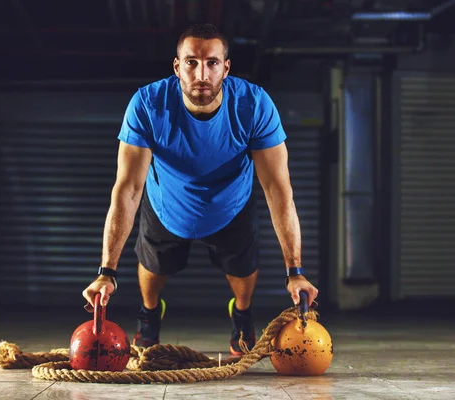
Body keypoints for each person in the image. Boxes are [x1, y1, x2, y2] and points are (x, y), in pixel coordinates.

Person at [82, 23, 318, 356]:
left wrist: (296, 272)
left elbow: (279, 191)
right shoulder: (148, 104)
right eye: (191, 62)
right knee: (153, 267)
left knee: (243, 269)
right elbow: (128, 189)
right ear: (177, 66)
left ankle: (242, 315)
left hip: (230, 205)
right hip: (168, 204)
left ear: (226, 67)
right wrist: (106, 272)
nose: (201, 73)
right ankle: (149, 316)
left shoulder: (254, 105)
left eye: (211, 62)